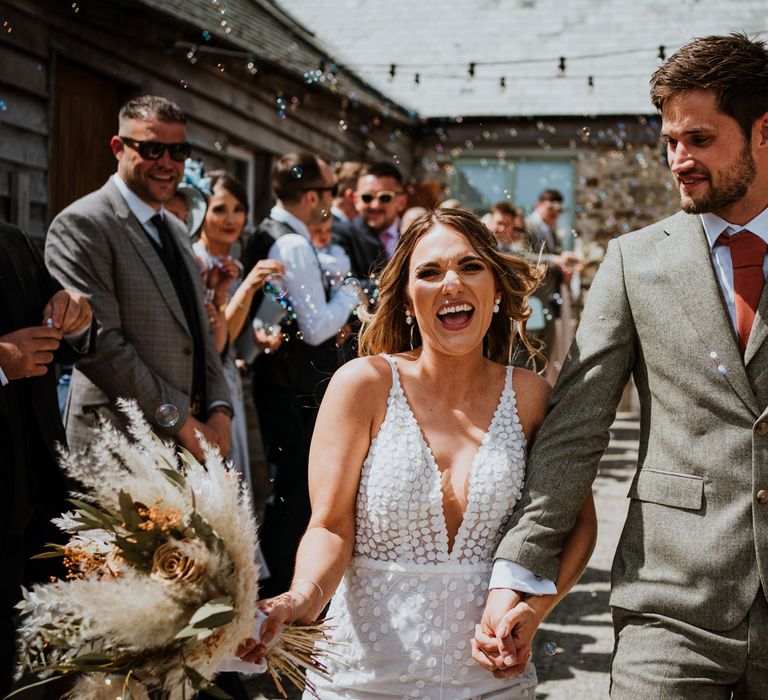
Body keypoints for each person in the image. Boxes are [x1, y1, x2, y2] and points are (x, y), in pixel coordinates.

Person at [476, 33, 768, 698]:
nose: (678, 160)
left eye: (699, 139)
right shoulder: (635, 260)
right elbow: (575, 429)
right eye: (669, 142)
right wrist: (518, 574)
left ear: (762, 131)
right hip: (669, 605)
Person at [239, 208, 596, 698]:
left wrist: (532, 612)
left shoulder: (533, 396)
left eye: (470, 267)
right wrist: (300, 597)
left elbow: (575, 521)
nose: (451, 283)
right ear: (408, 299)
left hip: (490, 680)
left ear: (495, 290)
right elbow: (329, 525)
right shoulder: (362, 385)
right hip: (363, 676)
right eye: (429, 272)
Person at [45, 96, 232, 465]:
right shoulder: (83, 224)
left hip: (190, 448)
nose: (166, 163)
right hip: (119, 445)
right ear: (118, 147)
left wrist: (221, 410)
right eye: (151, 149)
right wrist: (185, 425)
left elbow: (201, 336)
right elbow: (103, 348)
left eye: (178, 151)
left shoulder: (178, 231)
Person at [242, 152, 360, 597]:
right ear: (312, 196)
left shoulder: (274, 234)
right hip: (293, 389)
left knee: (288, 488)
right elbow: (317, 328)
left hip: (279, 383)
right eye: (329, 192)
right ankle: (280, 591)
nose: (330, 200)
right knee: (295, 492)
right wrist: (351, 292)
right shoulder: (291, 244)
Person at [0, 222, 93, 695]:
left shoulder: (11, 239)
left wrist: (76, 314)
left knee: (49, 674)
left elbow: (66, 333)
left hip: (41, 502)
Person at [191, 170, 284, 497]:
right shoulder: (195, 262)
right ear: (200, 210)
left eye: (238, 209)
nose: (231, 219)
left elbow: (233, 341)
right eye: (219, 209)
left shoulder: (234, 263)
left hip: (231, 376)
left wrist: (256, 341)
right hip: (206, 382)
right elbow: (215, 342)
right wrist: (247, 287)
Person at [524, 190, 582, 362]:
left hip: (551, 299)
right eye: (551, 209)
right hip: (534, 297)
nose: (555, 214)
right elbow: (522, 256)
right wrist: (556, 260)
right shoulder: (527, 226)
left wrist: (565, 273)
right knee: (533, 349)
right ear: (538, 205)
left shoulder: (553, 232)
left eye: (559, 211)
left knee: (547, 349)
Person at [333, 161, 409, 283]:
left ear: (402, 202)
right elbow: (348, 285)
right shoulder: (341, 235)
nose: (375, 205)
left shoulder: (412, 236)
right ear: (356, 199)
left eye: (385, 197)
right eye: (367, 197)